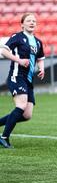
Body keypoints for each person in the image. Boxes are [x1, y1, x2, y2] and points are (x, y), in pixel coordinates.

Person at [0, 13, 45, 148]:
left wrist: (41, 68)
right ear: (22, 24)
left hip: (28, 80)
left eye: (34, 21)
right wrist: (18, 60)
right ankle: (4, 138)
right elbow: (3, 51)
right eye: (29, 21)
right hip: (17, 76)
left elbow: (40, 58)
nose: (32, 23)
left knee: (27, 115)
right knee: (21, 105)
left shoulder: (38, 42)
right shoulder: (17, 37)